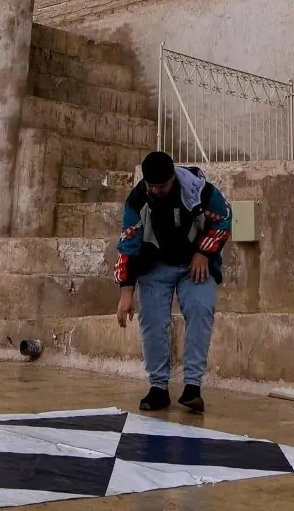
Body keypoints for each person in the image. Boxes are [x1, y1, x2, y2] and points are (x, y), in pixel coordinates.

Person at [114, 150, 232, 413]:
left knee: (201, 310)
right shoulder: (137, 200)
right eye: (151, 186)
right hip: (155, 265)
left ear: (172, 181)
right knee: (153, 321)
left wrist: (204, 252)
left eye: (162, 186)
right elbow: (128, 244)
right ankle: (158, 388)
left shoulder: (198, 191)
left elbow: (224, 218)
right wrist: (126, 290)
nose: (156, 191)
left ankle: (192, 387)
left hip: (195, 264)